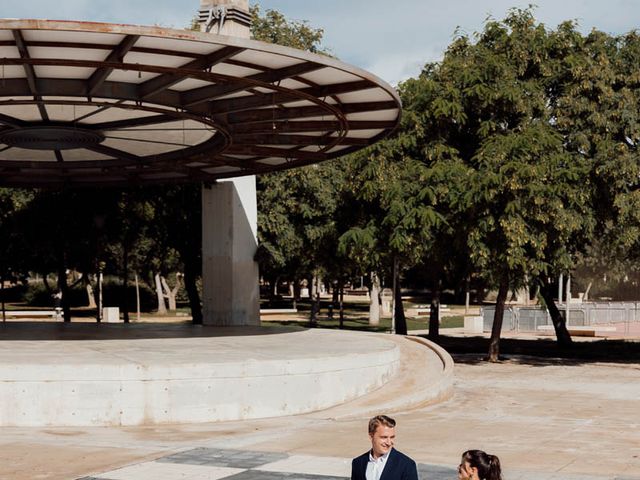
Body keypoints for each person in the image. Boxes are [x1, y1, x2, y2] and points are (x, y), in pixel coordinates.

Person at [351, 415, 418, 480]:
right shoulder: (358, 463)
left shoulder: (407, 465)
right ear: (371, 436)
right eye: (384, 437)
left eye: (392, 437)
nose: (389, 443)